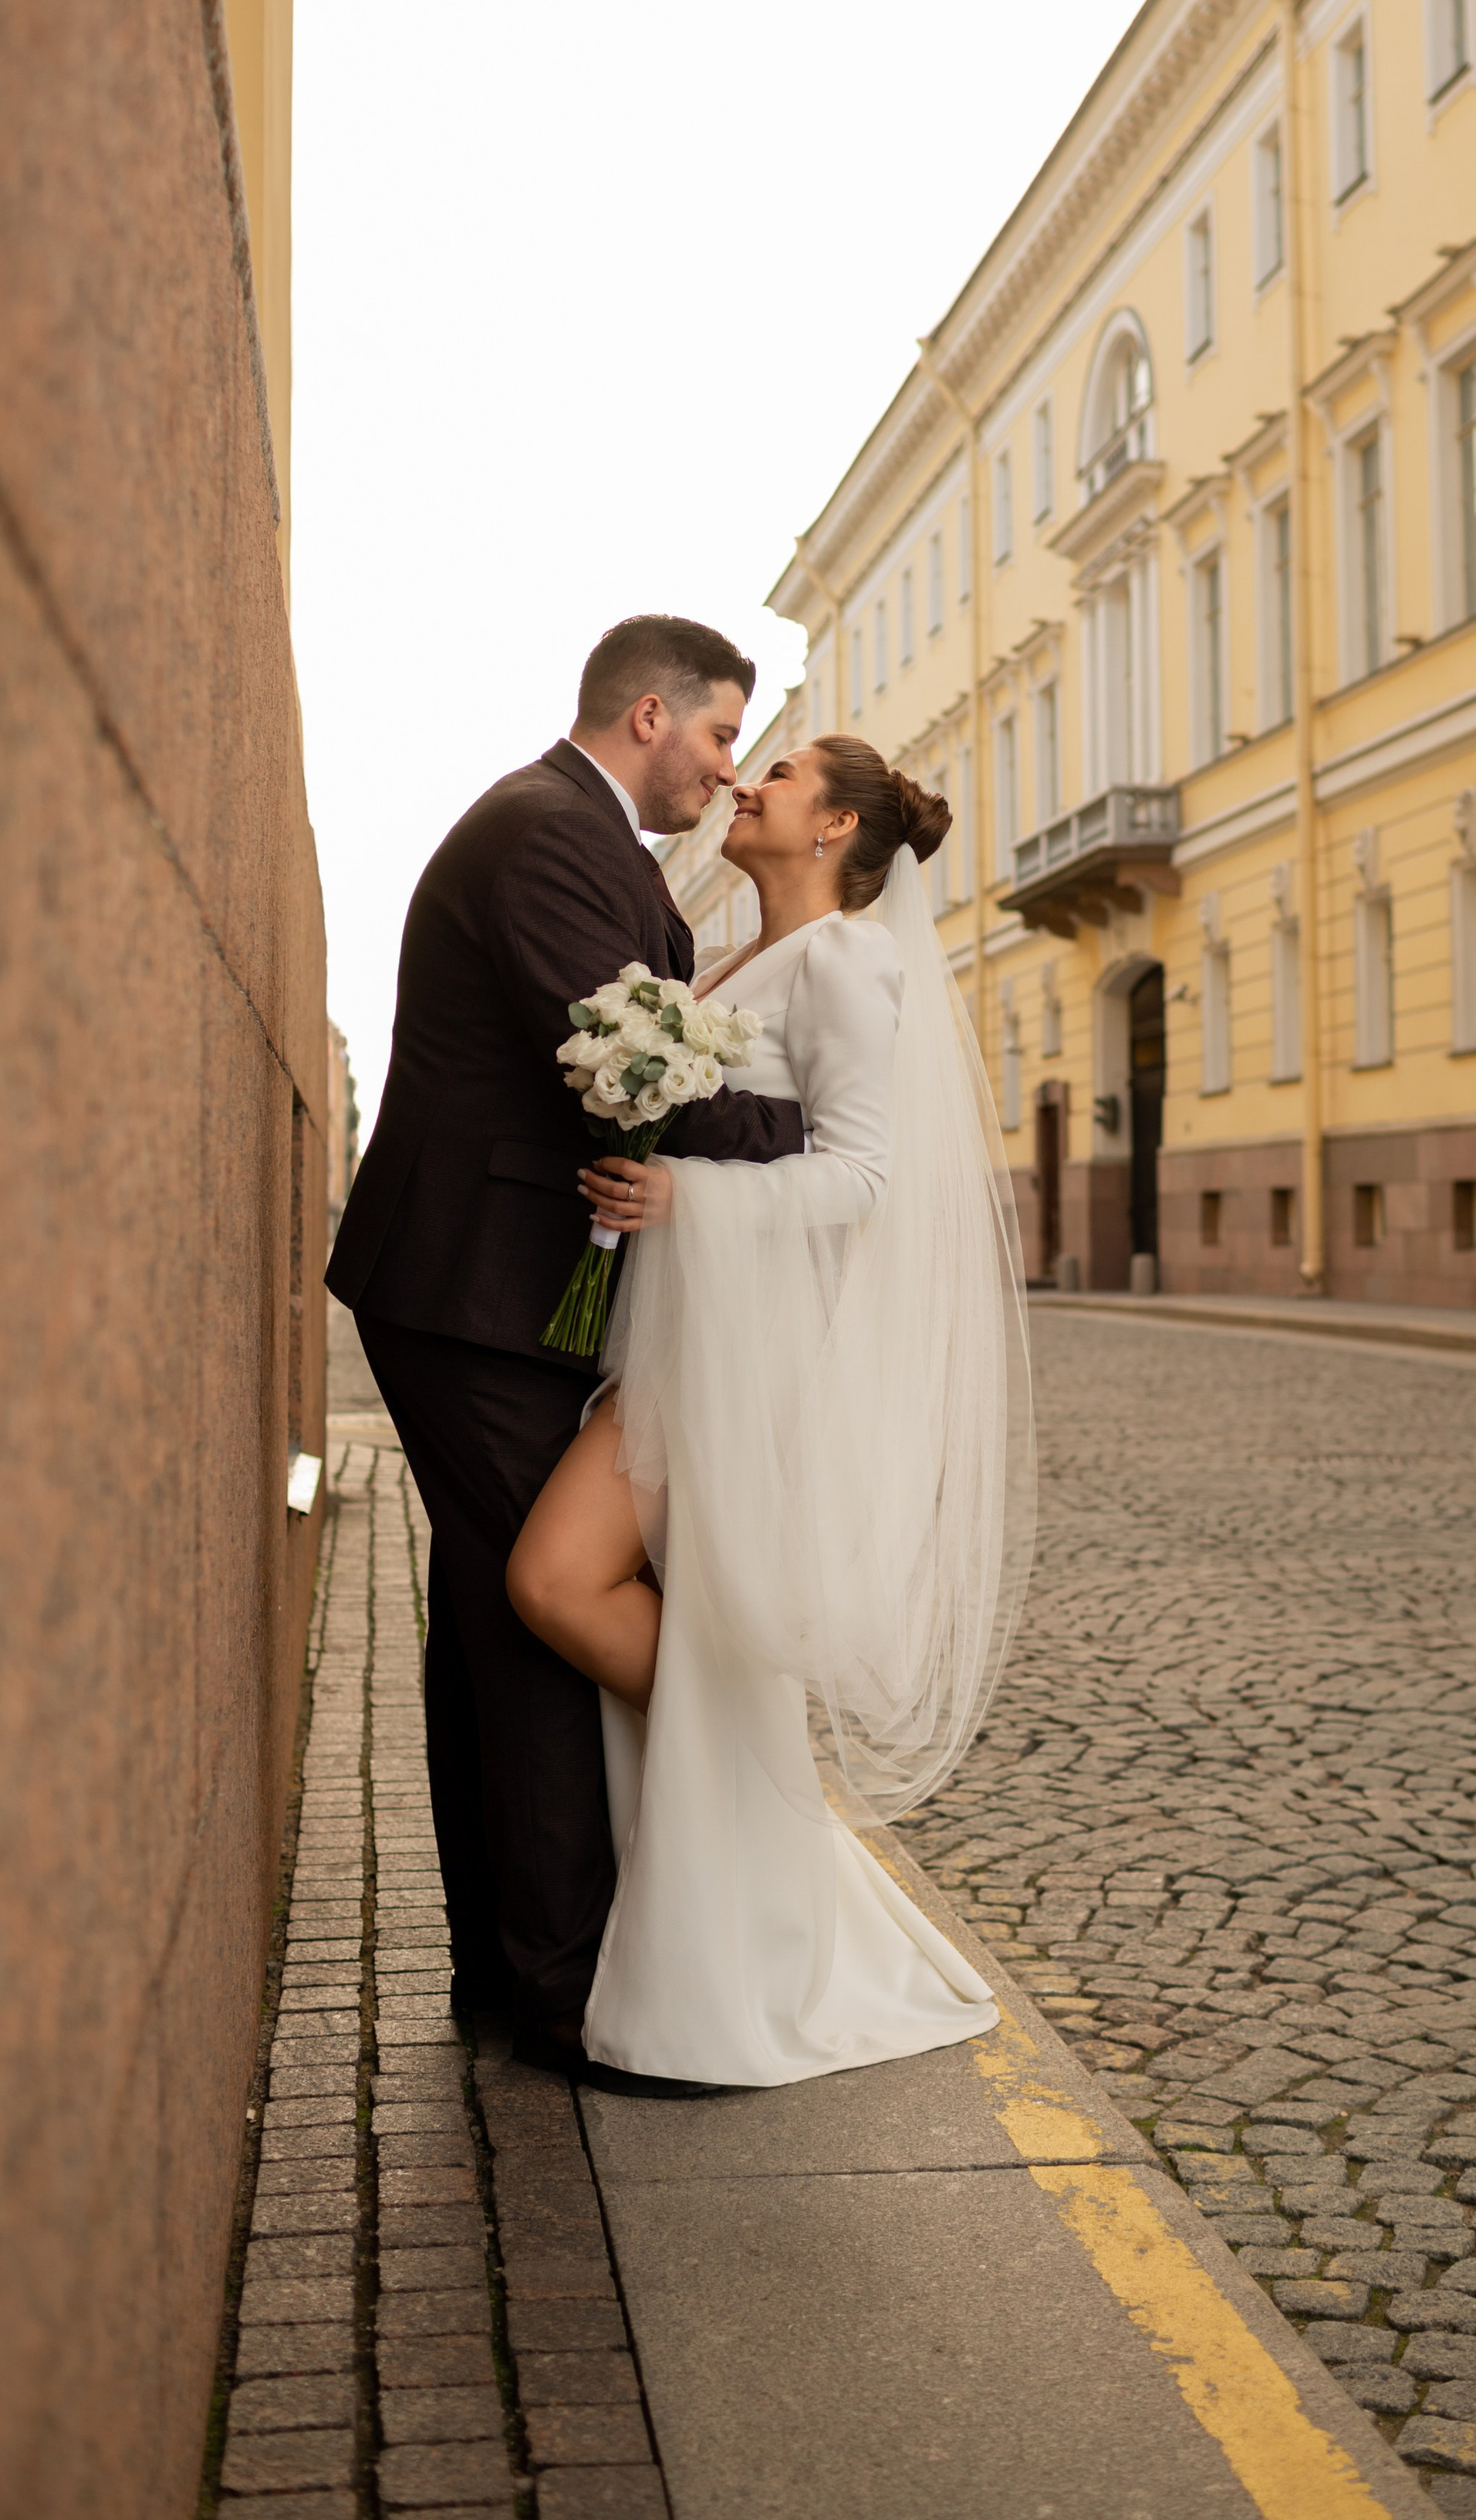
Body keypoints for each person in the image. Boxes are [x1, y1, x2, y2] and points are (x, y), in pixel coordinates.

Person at [506, 736, 1035, 2088]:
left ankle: (770, 1841)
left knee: (556, 1581)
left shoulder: (853, 960)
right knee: (659, 1616)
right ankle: (749, 1873)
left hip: (753, 1354)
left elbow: (864, 1176)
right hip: (684, 1335)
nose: (748, 783)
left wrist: (692, 1197)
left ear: (835, 825)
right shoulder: (726, 960)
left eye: (780, 772)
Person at [326, 619, 812, 2065]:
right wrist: (817, 1138)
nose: (729, 774)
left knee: (492, 1613)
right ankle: (560, 1987)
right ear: (650, 716)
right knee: (541, 1620)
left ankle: (504, 1964)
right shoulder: (551, 834)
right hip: (475, 1289)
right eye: (724, 736)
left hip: (486, 1285)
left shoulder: (586, 842)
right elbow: (629, 1070)